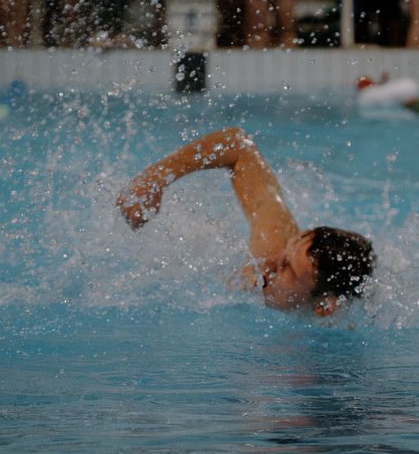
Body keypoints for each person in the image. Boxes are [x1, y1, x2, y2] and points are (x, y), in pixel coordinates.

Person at [117, 126, 374, 317]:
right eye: (286, 253)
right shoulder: (275, 246)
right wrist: (155, 178)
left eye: (288, 269)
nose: (269, 262)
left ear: (323, 307)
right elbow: (238, 146)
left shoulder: (318, 358)